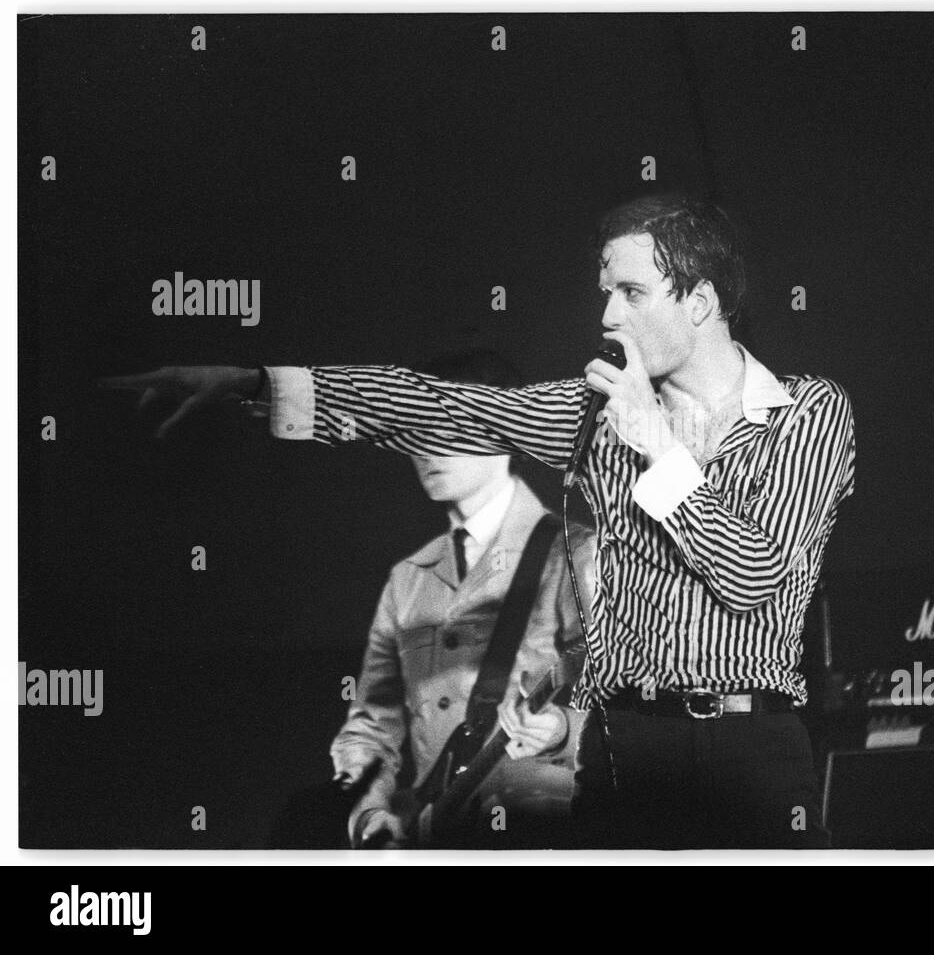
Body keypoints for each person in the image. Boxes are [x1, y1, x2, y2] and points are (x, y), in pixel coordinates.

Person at [101, 193, 857, 849]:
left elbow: (753, 571)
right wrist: (258, 385)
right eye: (604, 291)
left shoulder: (807, 412)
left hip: (755, 743)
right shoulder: (588, 416)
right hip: (629, 745)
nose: (606, 315)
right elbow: (442, 404)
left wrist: (652, 441)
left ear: (699, 302)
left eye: (630, 291)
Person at [329, 350, 597, 849]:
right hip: (436, 836)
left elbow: (630, 710)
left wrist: (563, 729)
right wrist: (369, 813)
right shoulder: (408, 579)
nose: (423, 448)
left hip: (539, 837)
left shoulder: (575, 556)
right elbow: (371, 726)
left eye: (442, 426)